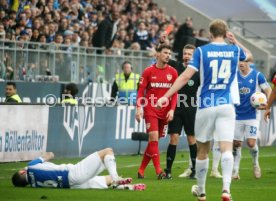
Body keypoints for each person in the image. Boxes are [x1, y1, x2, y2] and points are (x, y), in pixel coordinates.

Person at [157, 19, 253, 201]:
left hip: (206, 104)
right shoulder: (234, 50)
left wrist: (166, 96)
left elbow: (185, 76)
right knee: (226, 149)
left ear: (210, 34)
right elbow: (249, 55)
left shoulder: (202, 51)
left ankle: (201, 191)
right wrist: (235, 41)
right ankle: (226, 190)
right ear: (226, 34)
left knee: (203, 149)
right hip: (226, 105)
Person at [135, 44, 178, 179]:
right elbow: (141, 91)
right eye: (165, 53)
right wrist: (138, 107)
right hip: (150, 109)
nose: (168, 56)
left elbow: (175, 94)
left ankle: (141, 169)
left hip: (165, 111)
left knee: (154, 141)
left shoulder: (173, 72)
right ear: (157, 54)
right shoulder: (148, 71)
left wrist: (171, 110)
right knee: (153, 138)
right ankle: (159, 171)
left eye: (169, 54)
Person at [11, 148, 146, 191]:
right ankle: (117, 179)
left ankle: (131, 187)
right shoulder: (30, 167)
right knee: (108, 151)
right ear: (22, 172)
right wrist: (47, 155)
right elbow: (49, 155)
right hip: (72, 174)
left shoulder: (34, 185)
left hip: (70, 185)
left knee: (106, 180)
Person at [162, 44, 199, 180]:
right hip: (175, 108)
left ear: (194, 56)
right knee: (174, 137)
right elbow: (161, 55)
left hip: (191, 109)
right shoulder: (176, 66)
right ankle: (168, 171)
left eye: (190, 54)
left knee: (191, 139)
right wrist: (162, 42)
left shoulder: (198, 72)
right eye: (185, 53)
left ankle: (194, 170)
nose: (187, 56)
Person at [232, 61, 271, 180]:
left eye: (243, 61)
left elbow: (269, 90)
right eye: (238, 61)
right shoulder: (234, 76)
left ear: (249, 62)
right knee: (236, 143)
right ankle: (235, 170)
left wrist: (266, 106)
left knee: (251, 143)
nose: (240, 63)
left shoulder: (257, 75)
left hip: (252, 115)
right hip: (236, 115)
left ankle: (255, 164)